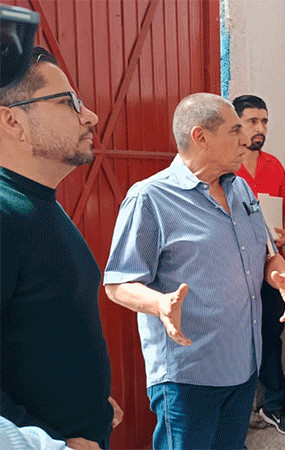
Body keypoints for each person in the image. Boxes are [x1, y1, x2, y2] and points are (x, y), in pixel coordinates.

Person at [103, 93, 285, 449]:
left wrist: (281, 274)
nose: (246, 140)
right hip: (189, 374)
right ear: (201, 137)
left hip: (244, 365)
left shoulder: (240, 187)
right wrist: (159, 303)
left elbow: (266, 253)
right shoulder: (149, 198)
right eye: (235, 130)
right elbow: (118, 283)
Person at [0, 46, 122, 450]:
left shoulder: (40, 204)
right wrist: (50, 442)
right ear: (12, 120)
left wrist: (92, 404)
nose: (91, 116)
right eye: (69, 102)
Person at [231, 94, 285, 435]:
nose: (260, 128)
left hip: (273, 272)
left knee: (271, 338)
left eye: (264, 121)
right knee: (236, 341)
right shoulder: (226, 168)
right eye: (252, 121)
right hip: (234, 273)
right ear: (235, 124)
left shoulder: (274, 165)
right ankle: (237, 416)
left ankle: (274, 406)